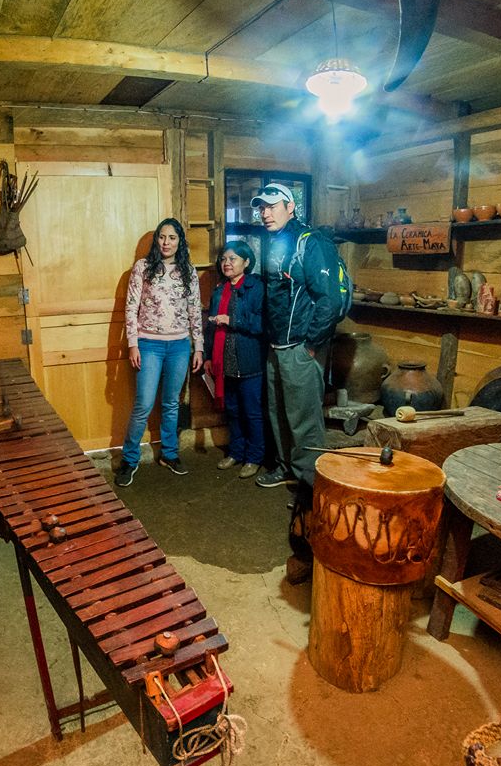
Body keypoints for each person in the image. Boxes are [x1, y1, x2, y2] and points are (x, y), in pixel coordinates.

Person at [251, 184, 343, 585]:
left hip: (300, 347)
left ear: (291, 206)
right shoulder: (274, 242)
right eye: (262, 209)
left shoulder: (311, 242)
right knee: (279, 412)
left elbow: (332, 299)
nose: (265, 214)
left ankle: (310, 487)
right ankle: (289, 469)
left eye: (272, 207)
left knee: (304, 417)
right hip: (276, 344)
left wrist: (311, 344)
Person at [115, 218, 204, 487]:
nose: (166, 242)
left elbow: (194, 311)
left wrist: (198, 346)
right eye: (162, 237)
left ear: (180, 242)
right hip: (149, 344)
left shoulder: (188, 270)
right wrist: (132, 343)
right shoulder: (142, 268)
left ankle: (169, 453)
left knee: (171, 403)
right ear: (157, 240)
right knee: (143, 404)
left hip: (179, 345)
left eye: (172, 238)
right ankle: (129, 460)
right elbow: (130, 308)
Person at [206, 240, 265, 480]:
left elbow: (262, 324)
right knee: (232, 411)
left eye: (233, 259)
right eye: (224, 259)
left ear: (246, 262)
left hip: (250, 362)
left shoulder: (256, 287)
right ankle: (236, 452)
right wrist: (210, 356)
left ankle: (254, 457)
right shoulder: (219, 291)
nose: (227, 263)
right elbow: (211, 328)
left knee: (252, 412)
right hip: (225, 362)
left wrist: (232, 320)